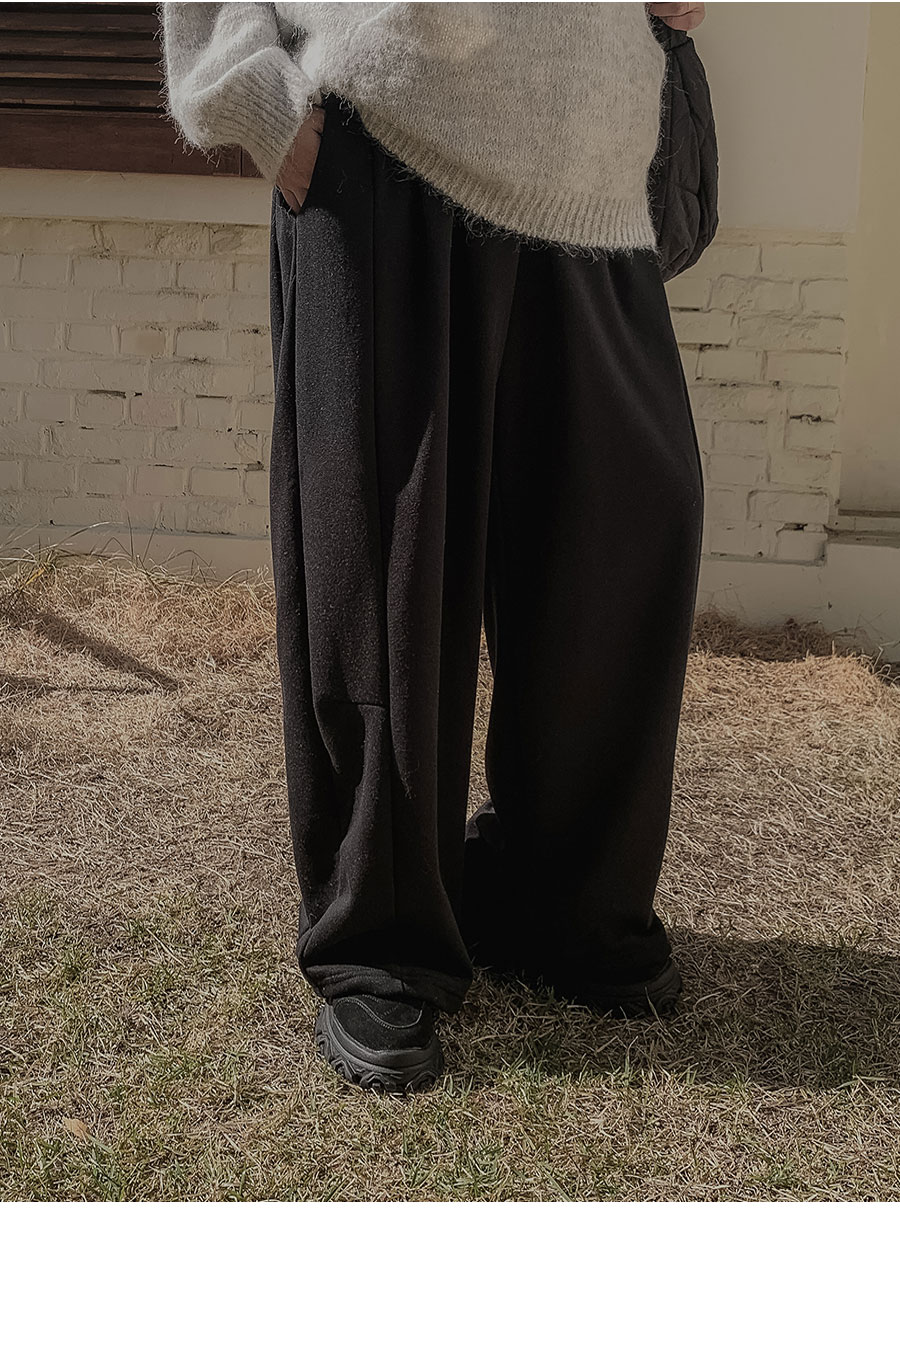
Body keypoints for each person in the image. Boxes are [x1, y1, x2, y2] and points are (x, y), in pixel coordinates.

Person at [160, 1, 708, 1094]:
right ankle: (383, 938)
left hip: (592, 146)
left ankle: (563, 898)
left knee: (619, 538)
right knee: (384, 564)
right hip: (385, 132)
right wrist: (261, 100)